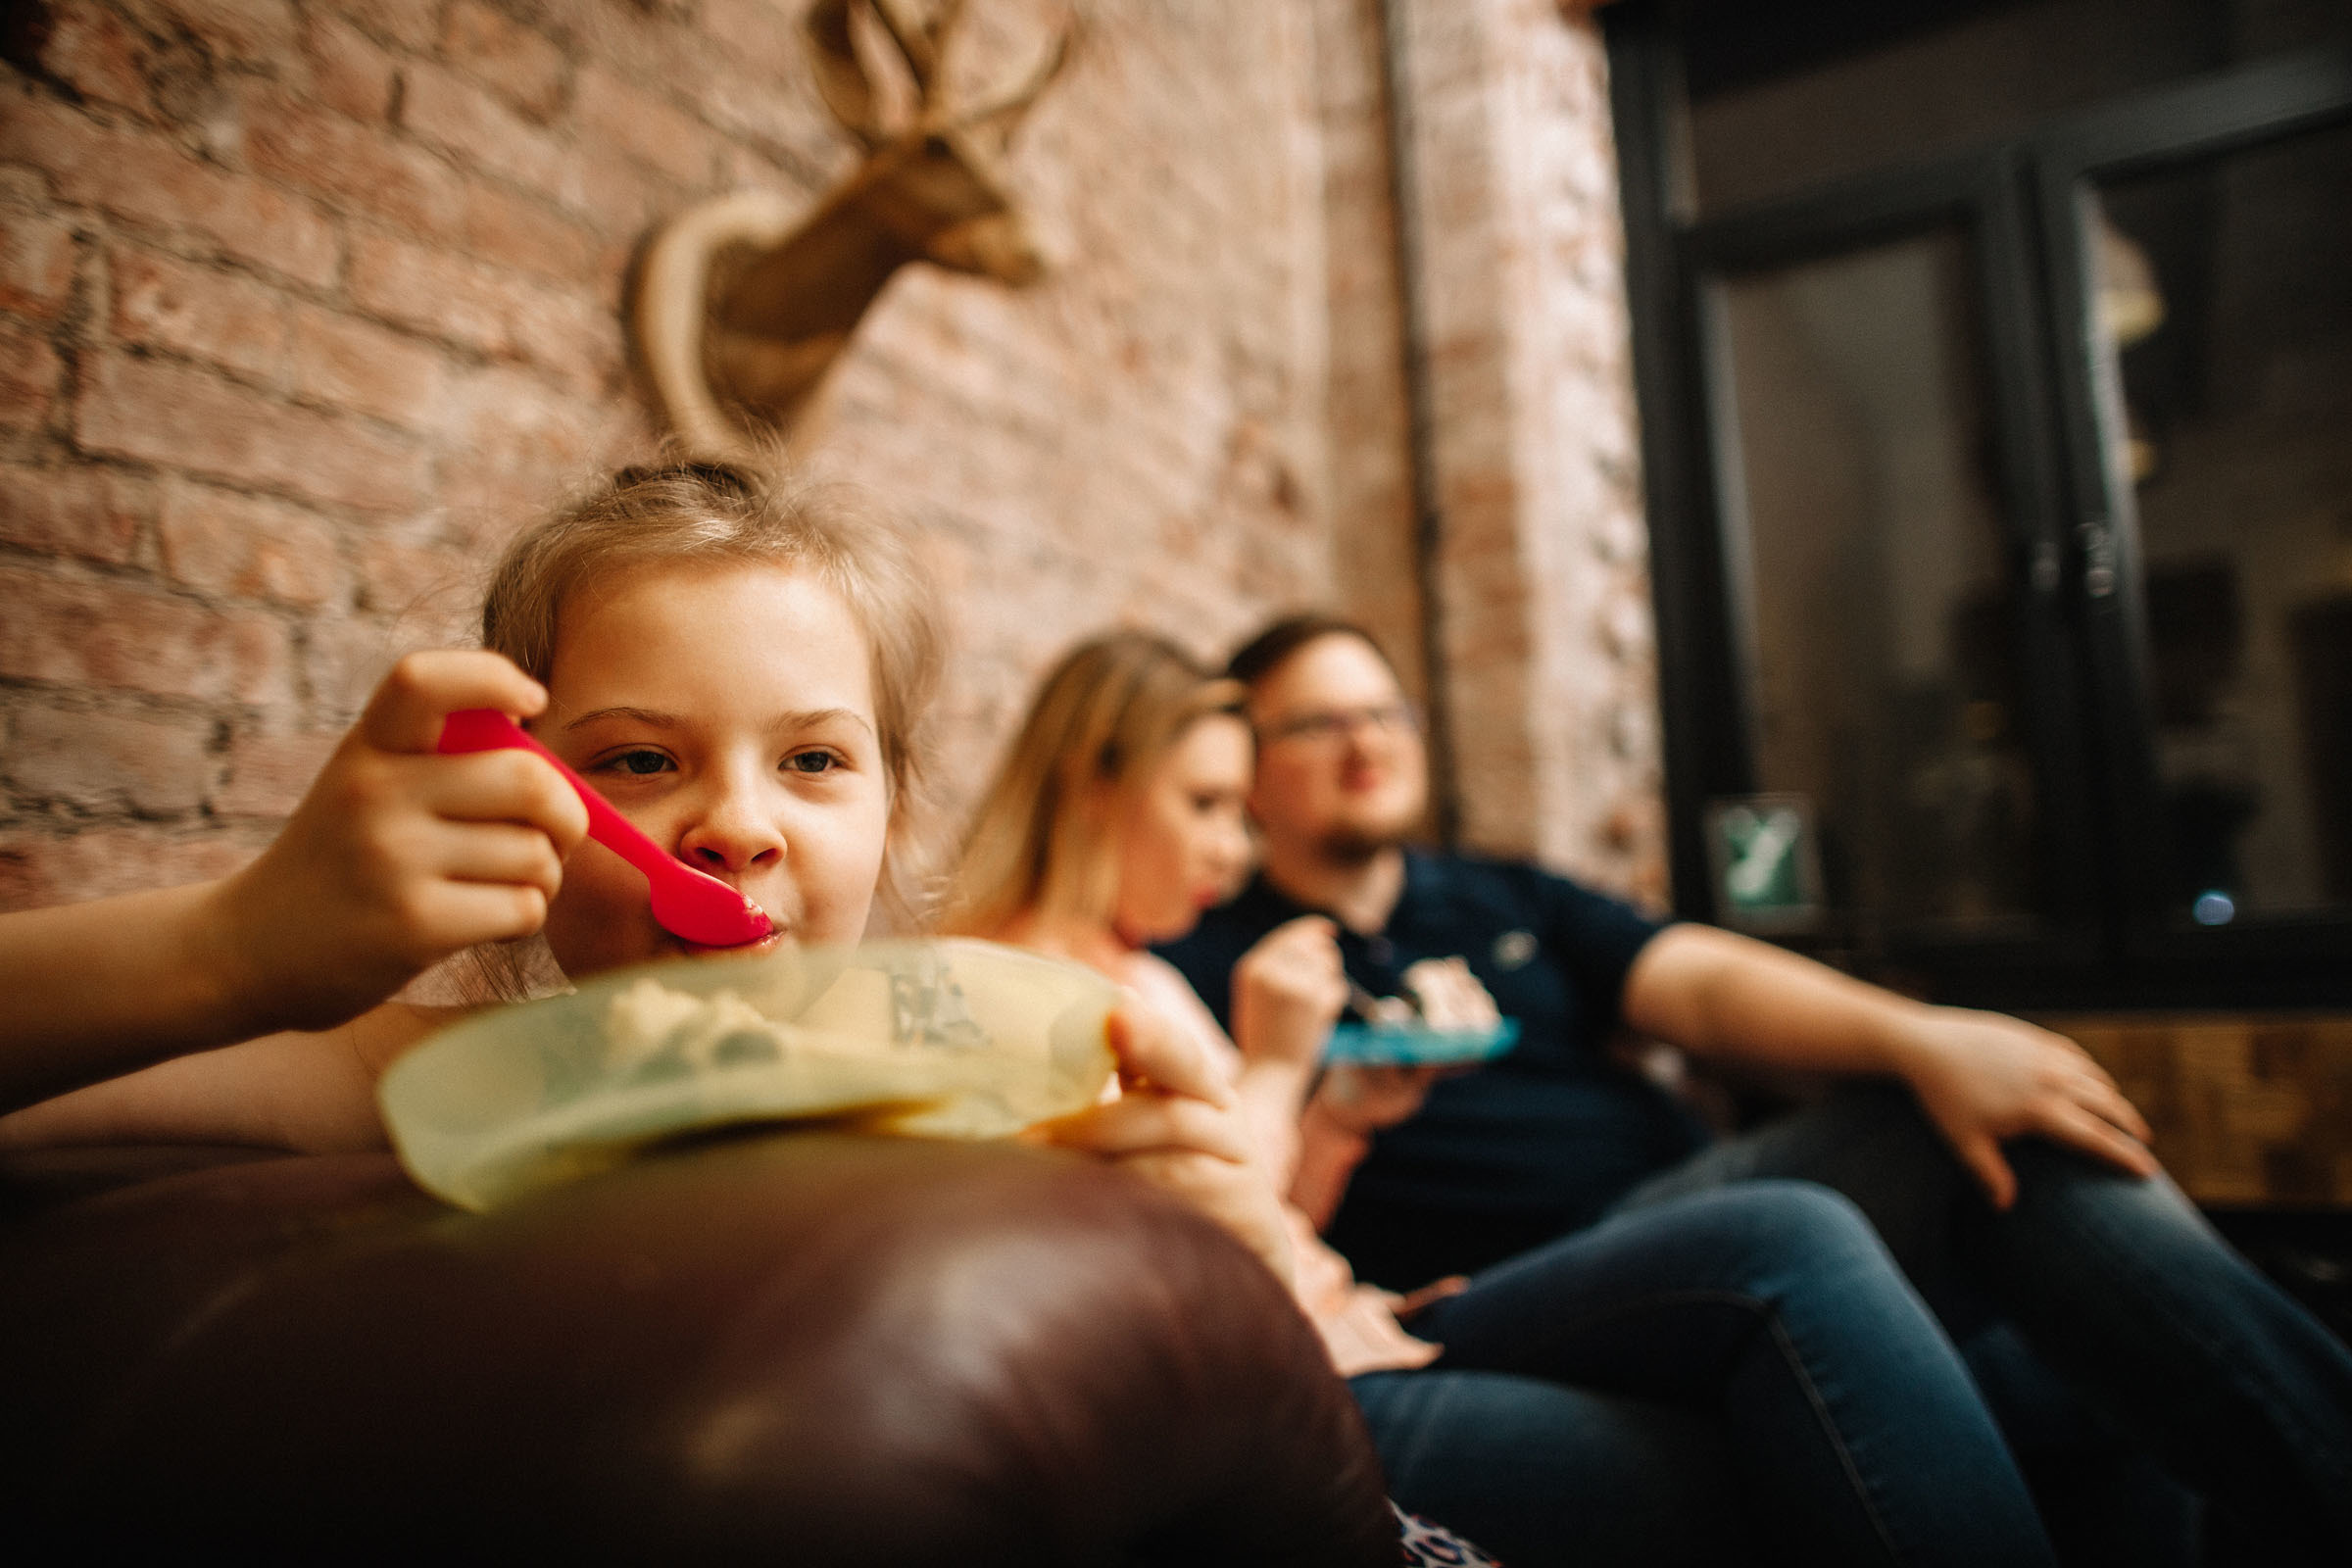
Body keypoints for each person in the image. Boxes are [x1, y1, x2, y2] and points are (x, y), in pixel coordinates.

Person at [1158, 612, 2352, 1564]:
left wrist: (1923, 1038)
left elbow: (1704, 986)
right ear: (1246, 773)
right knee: (1880, 1185)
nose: (1366, 740)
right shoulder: (1216, 959)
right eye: (1317, 722)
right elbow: (1231, 1213)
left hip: (1669, 1197)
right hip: (1521, 1276)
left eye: (1383, 709)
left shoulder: (1504, 898)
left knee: (2000, 1156)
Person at [945, 629, 2067, 1568]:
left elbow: (1258, 1212)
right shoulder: (1027, 991)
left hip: (1367, 1324)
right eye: (1208, 804)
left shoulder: (1138, 963)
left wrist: (1335, 1121)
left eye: (1240, 811)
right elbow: (1191, 1269)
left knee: (2026, 1362)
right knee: (1793, 1278)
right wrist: (1282, 1066)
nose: (1233, 849)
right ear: (1095, 781)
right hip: (1308, 1387)